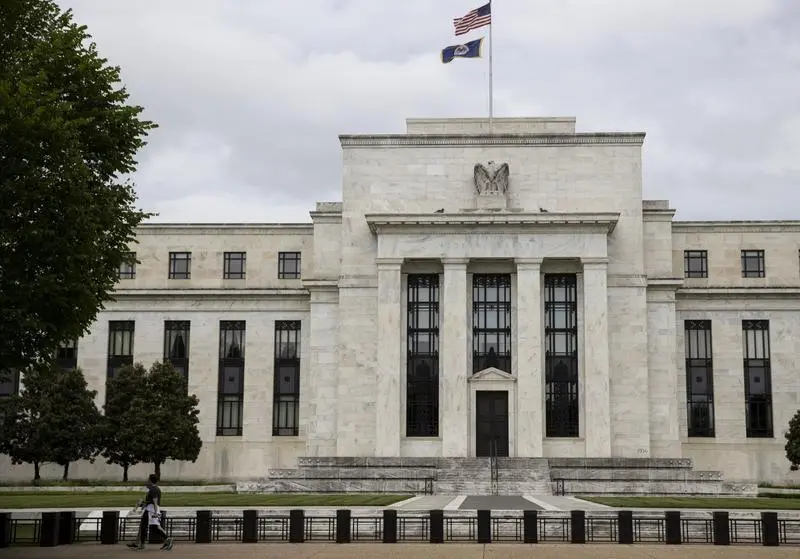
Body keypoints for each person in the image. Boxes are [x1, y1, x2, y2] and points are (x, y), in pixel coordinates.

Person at [127, 474, 173, 551]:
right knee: (152, 527)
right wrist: (142, 503)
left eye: (148, 479)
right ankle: (166, 540)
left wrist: (155, 512)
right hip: (151, 510)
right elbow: (151, 501)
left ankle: (141, 544)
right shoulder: (153, 489)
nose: (147, 481)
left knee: (145, 527)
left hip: (151, 511)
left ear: (151, 481)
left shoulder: (154, 489)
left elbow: (155, 501)